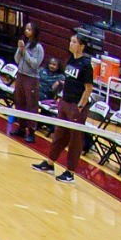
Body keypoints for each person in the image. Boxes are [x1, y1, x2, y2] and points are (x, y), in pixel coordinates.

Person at [33, 31, 91, 183]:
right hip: (65, 102)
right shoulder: (71, 59)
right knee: (59, 134)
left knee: (75, 140)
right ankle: (50, 163)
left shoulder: (86, 65)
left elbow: (88, 88)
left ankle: (70, 173)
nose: (71, 44)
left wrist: (80, 105)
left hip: (76, 106)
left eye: (74, 42)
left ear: (82, 46)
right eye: (70, 41)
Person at [8, 21, 43, 142]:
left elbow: (35, 64)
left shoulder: (38, 47)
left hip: (31, 78)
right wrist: (20, 49)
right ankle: (21, 128)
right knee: (19, 101)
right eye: (26, 29)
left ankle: (31, 131)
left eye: (29, 29)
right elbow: (17, 60)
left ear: (34, 32)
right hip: (20, 75)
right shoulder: (25, 44)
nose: (27, 31)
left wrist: (25, 52)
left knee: (31, 105)